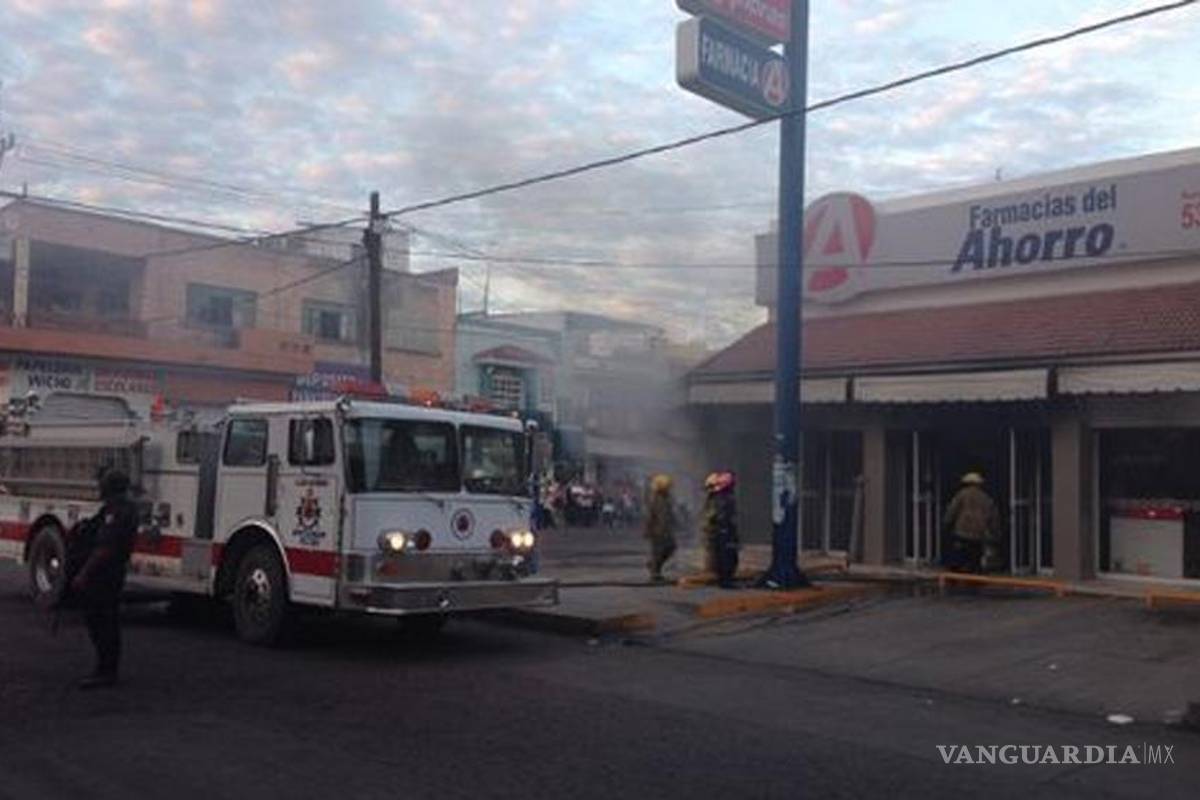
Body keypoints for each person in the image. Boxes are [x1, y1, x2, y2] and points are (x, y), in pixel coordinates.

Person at [70, 468, 139, 689]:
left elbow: (104, 549)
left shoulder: (117, 512)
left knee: (102, 621)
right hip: (109, 572)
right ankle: (105, 668)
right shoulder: (118, 509)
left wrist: (83, 574)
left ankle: (106, 670)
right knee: (103, 620)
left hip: (105, 574)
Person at [942, 472, 1001, 573]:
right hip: (979, 534)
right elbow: (993, 516)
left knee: (958, 558)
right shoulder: (985, 498)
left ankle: (956, 578)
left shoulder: (961, 495)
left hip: (962, 532)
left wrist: (946, 524)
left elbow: (952, 511)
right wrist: (994, 533)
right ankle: (975, 579)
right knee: (975, 560)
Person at [703, 471, 740, 588]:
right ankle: (725, 580)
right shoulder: (723, 498)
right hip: (723, 530)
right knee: (727, 556)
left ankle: (723, 578)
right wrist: (725, 528)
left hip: (719, 530)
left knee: (722, 555)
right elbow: (720, 515)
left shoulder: (715, 497)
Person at [643, 474, 678, 582]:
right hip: (657, 530)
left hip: (666, 529)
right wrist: (648, 529)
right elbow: (650, 515)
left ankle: (653, 565)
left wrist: (675, 522)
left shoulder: (666, 497)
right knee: (658, 551)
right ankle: (655, 572)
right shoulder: (655, 498)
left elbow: (669, 513)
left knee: (671, 547)